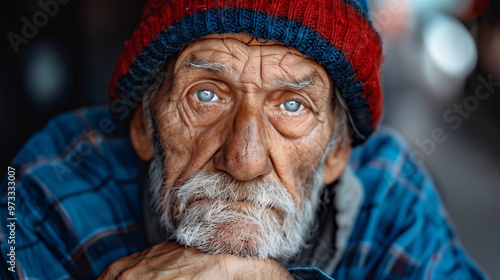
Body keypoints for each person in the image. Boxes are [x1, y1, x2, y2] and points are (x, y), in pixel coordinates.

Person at [0, 0, 489, 279]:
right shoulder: (46, 191)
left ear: (338, 152)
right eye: (207, 95)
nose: (245, 159)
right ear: (143, 126)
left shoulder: (391, 198)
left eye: (291, 105)